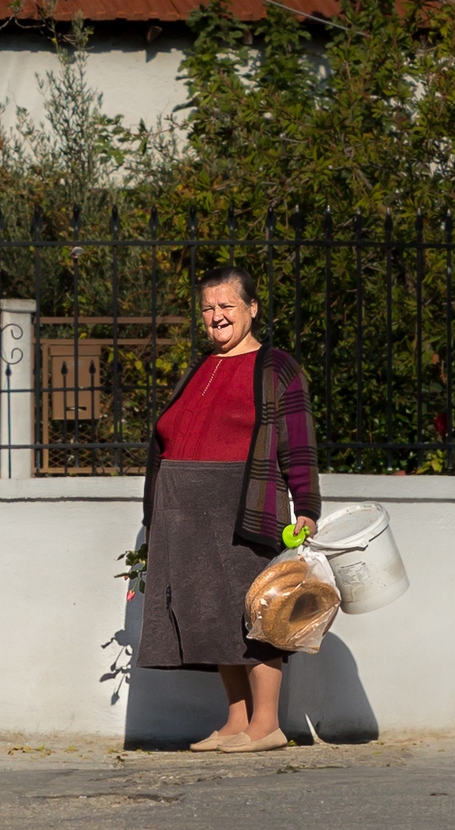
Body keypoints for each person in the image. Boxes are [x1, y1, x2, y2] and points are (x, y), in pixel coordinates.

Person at [137, 265, 321, 754]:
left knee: (254, 609)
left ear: (252, 308)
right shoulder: (199, 366)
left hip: (242, 504)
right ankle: (237, 721)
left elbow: (297, 441)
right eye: (208, 308)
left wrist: (306, 506)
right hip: (186, 512)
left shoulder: (276, 366)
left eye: (227, 306)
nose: (216, 316)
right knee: (210, 613)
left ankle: (267, 725)